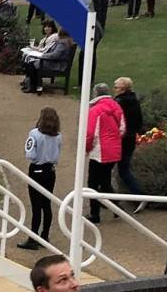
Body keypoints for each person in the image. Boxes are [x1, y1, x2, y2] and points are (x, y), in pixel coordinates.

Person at [19, 108, 62, 249]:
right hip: (50, 171)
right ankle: (44, 235)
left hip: (37, 170)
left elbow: (30, 154)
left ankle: (33, 238)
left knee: (36, 206)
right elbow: (56, 156)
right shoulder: (58, 136)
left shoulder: (34, 134)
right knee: (46, 204)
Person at [83, 84, 124, 224]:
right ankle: (116, 207)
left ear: (95, 94)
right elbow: (122, 128)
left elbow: (89, 133)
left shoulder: (95, 110)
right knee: (105, 181)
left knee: (92, 183)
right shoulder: (116, 106)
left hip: (99, 151)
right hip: (114, 150)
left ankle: (95, 214)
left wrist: (86, 148)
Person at [111, 78, 146, 207]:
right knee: (123, 168)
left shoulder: (119, 102)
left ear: (123, 89)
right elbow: (139, 122)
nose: (114, 89)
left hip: (121, 139)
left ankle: (138, 195)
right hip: (130, 138)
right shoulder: (134, 101)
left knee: (116, 169)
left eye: (116, 87)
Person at [22, 26, 73, 95]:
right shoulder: (65, 41)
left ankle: (34, 86)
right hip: (56, 62)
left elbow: (54, 55)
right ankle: (34, 84)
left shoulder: (62, 44)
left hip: (57, 65)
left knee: (31, 64)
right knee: (32, 63)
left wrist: (42, 56)